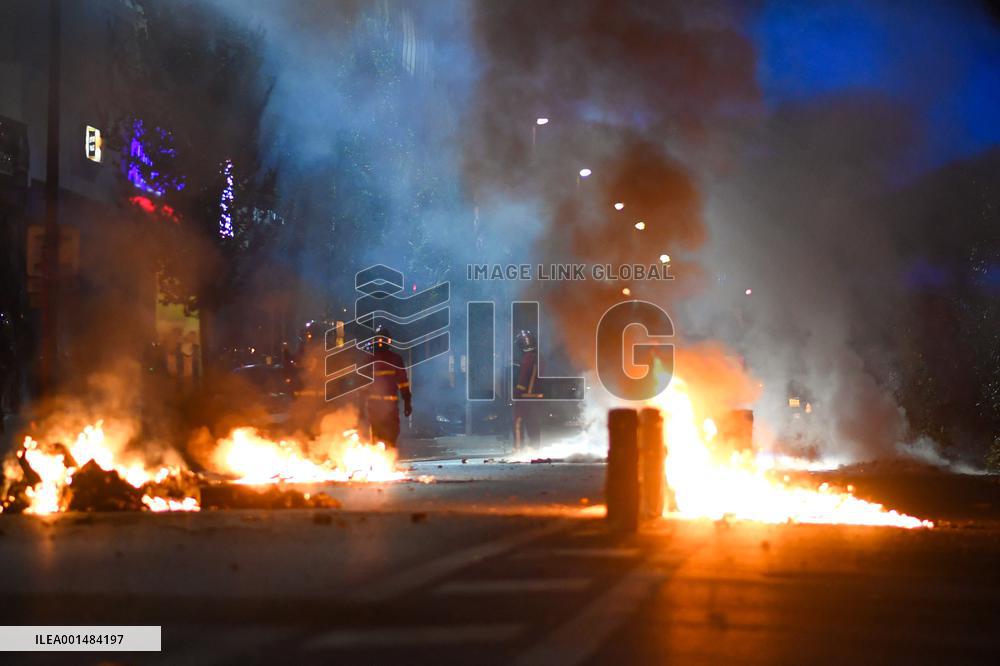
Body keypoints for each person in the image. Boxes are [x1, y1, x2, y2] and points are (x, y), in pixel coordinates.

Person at [364, 326, 412, 448]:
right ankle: (386, 458)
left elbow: (362, 385)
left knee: (379, 435)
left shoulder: (368, 360)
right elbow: (403, 383)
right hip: (388, 407)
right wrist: (407, 402)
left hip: (376, 407)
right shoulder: (395, 359)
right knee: (390, 435)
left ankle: (383, 460)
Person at [512, 329, 543, 452]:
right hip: (538, 396)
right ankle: (535, 448)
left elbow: (523, 379)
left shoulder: (526, 359)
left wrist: (516, 393)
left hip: (525, 396)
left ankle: (518, 449)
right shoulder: (540, 357)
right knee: (533, 422)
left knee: (517, 421)